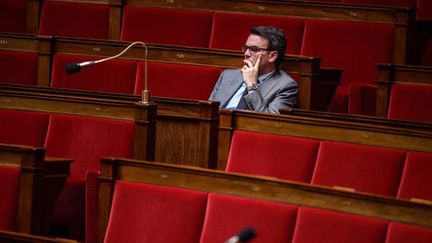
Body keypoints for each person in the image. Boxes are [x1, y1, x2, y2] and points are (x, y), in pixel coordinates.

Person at [209, 26, 298, 114]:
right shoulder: (228, 75)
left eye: (254, 49)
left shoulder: (285, 86)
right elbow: (208, 112)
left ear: (272, 56)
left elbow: (271, 123)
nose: (246, 53)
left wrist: (251, 86)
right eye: (246, 48)